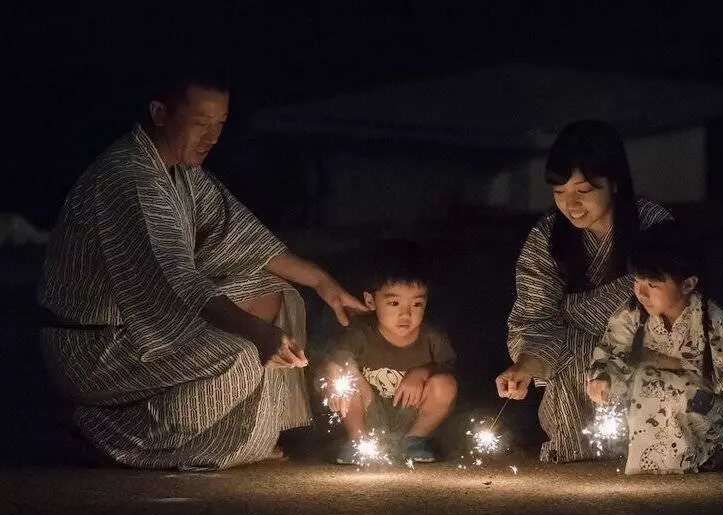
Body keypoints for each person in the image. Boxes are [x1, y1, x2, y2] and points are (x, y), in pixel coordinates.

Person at [37, 67, 367, 470]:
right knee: (243, 357)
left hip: (132, 332)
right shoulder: (131, 178)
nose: (212, 135)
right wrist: (256, 332)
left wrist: (323, 283)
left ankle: (252, 431)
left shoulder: (183, 174)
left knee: (277, 293)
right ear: (159, 113)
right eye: (200, 122)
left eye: (220, 123)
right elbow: (174, 279)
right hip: (92, 347)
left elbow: (241, 237)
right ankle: (106, 431)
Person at [495, 119, 672, 463]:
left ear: (614, 183)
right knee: (577, 349)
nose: (570, 204)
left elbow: (671, 300)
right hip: (572, 362)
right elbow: (535, 317)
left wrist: (573, 311)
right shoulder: (546, 238)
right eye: (559, 193)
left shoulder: (653, 224)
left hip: (645, 352)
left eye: (584, 190)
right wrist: (524, 366)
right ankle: (578, 441)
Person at [586, 221, 723, 473]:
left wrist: (669, 362)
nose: (642, 293)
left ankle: (719, 445)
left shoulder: (712, 322)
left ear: (688, 284)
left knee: (668, 386)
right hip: (649, 398)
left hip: (699, 400)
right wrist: (603, 378)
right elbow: (614, 350)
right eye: (637, 281)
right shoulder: (631, 316)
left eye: (653, 285)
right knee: (641, 380)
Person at [317, 239, 458, 464]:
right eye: (394, 304)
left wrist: (422, 373)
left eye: (416, 304)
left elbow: (448, 367)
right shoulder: (361, 333)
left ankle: (414, 441)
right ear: (371, 301)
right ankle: (357, 441)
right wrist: (337, 380)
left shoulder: (432, 337)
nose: (406, 314)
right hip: (370, 411)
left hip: (410, 414)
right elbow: (337, 359)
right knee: (344, 373)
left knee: (445, 384)